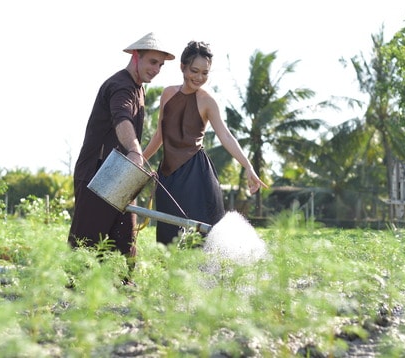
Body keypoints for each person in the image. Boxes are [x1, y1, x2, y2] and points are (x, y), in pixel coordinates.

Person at [68, 32, 176, 271]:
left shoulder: (139, 88)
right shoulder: (121, 86)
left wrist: (138, 161)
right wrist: (136, 151)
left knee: (125, 238)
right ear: (136, 56)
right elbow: (122, 118)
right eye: (152, 62)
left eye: (161, 64)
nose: (157, 69)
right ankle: (71, 293)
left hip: (120, 173)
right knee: (86, 241)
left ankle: (123, 288)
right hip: (96, 173)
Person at [142, 40, 268, 245]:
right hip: (167, 178)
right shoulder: (167, 94)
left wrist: (248, 166)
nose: (199, 77)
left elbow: (226, 136)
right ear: (182, 67)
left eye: (205, 73)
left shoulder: (207, 100)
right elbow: (159, 135)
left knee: (199, 240)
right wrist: (138, 161)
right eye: (194, 70)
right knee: (168, 239)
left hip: (196, 177)